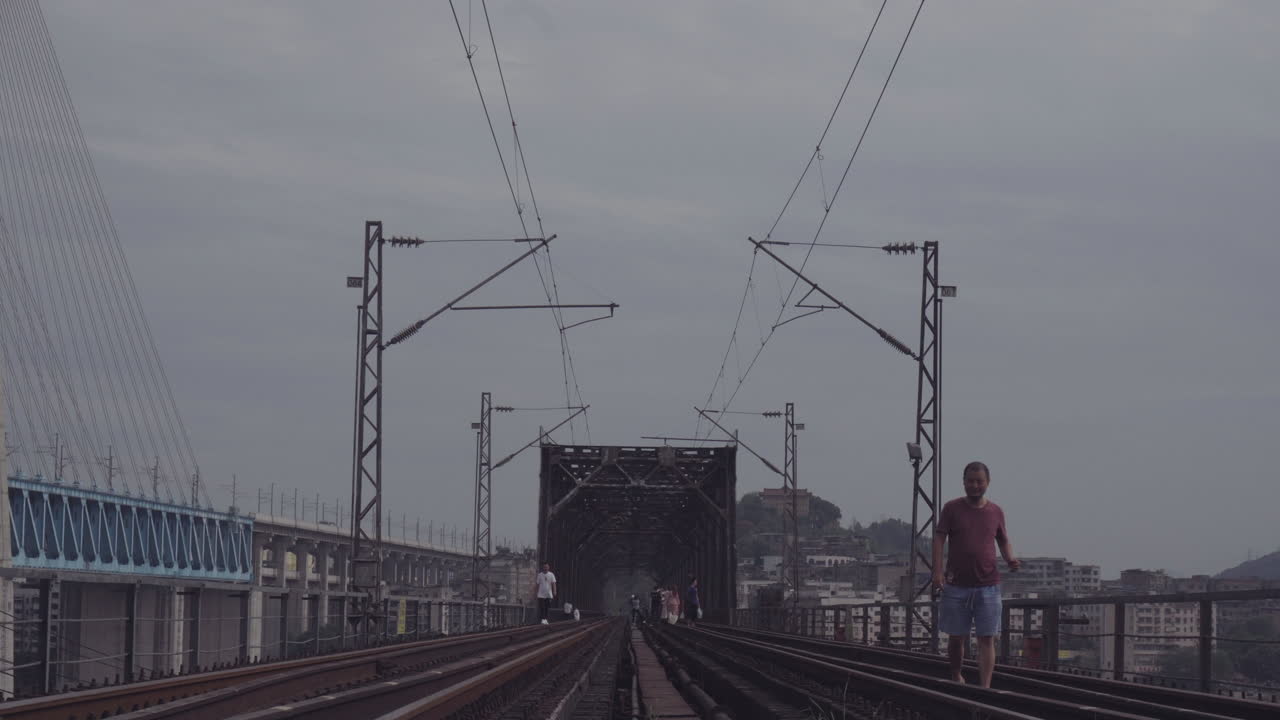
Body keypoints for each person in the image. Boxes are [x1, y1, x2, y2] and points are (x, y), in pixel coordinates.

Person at [933, 461, 1020, 689]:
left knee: (987, 638)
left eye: (979, 481)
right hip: (956, 585)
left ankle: (985, 687)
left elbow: (1002, 539)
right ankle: (955, 675)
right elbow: (939, 538)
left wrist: (1010, 558)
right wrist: (937, 571)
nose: (974, 485)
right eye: (970, 481)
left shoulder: (996, 511)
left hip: (988, 585)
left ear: (987, 483)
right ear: (963, 482)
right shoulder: (951, 508)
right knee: (956, 637)